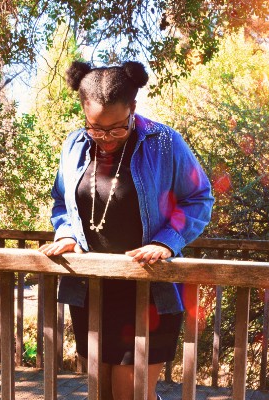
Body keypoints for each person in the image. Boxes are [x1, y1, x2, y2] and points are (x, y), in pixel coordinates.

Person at [39, 60, 214, 400]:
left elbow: (199, 197)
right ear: (83, 111)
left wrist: (167, 241)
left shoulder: (164, 143)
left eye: (116, 129)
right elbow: (61, 201)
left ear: (133, 107)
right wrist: (67, 234)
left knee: (129, 393)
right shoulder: (74, 145)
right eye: (95, 129)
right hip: (92, 290)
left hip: (150, 289)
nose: (105, 139)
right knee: (101, 392)